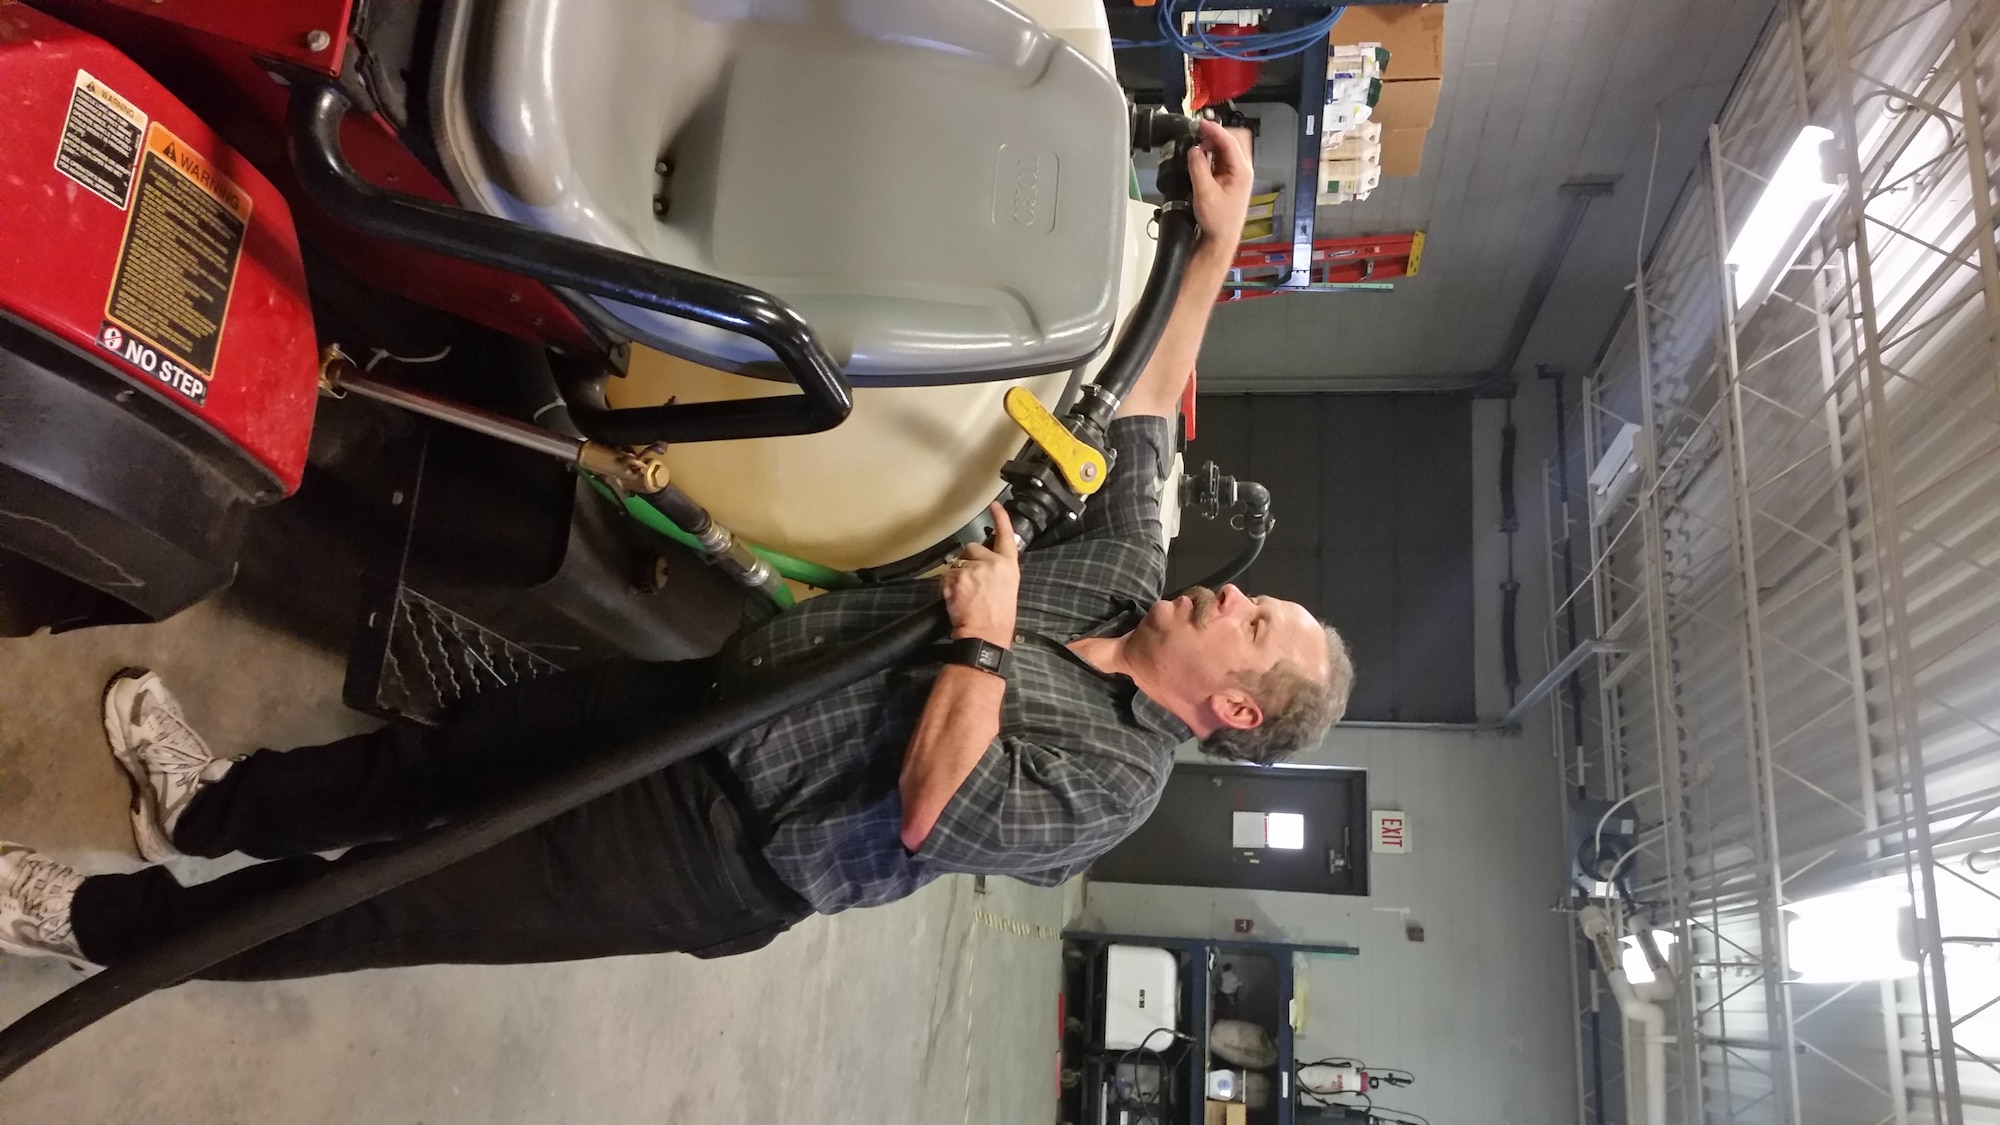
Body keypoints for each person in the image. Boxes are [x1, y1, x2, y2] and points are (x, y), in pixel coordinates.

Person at [0, 123, 1353, 976]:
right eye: (1260, 597)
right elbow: (1142, 433)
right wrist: (1214, 253)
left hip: (716, 844)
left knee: (385, 905)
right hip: (713, 694)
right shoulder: (1122, 576)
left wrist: (987, 636)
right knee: (445, 752)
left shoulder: (1114, 784)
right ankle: (210, 804)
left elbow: (941, 804)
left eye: (1257, 622)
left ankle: (100, 932)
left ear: (1234, 707)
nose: (1235, 594)